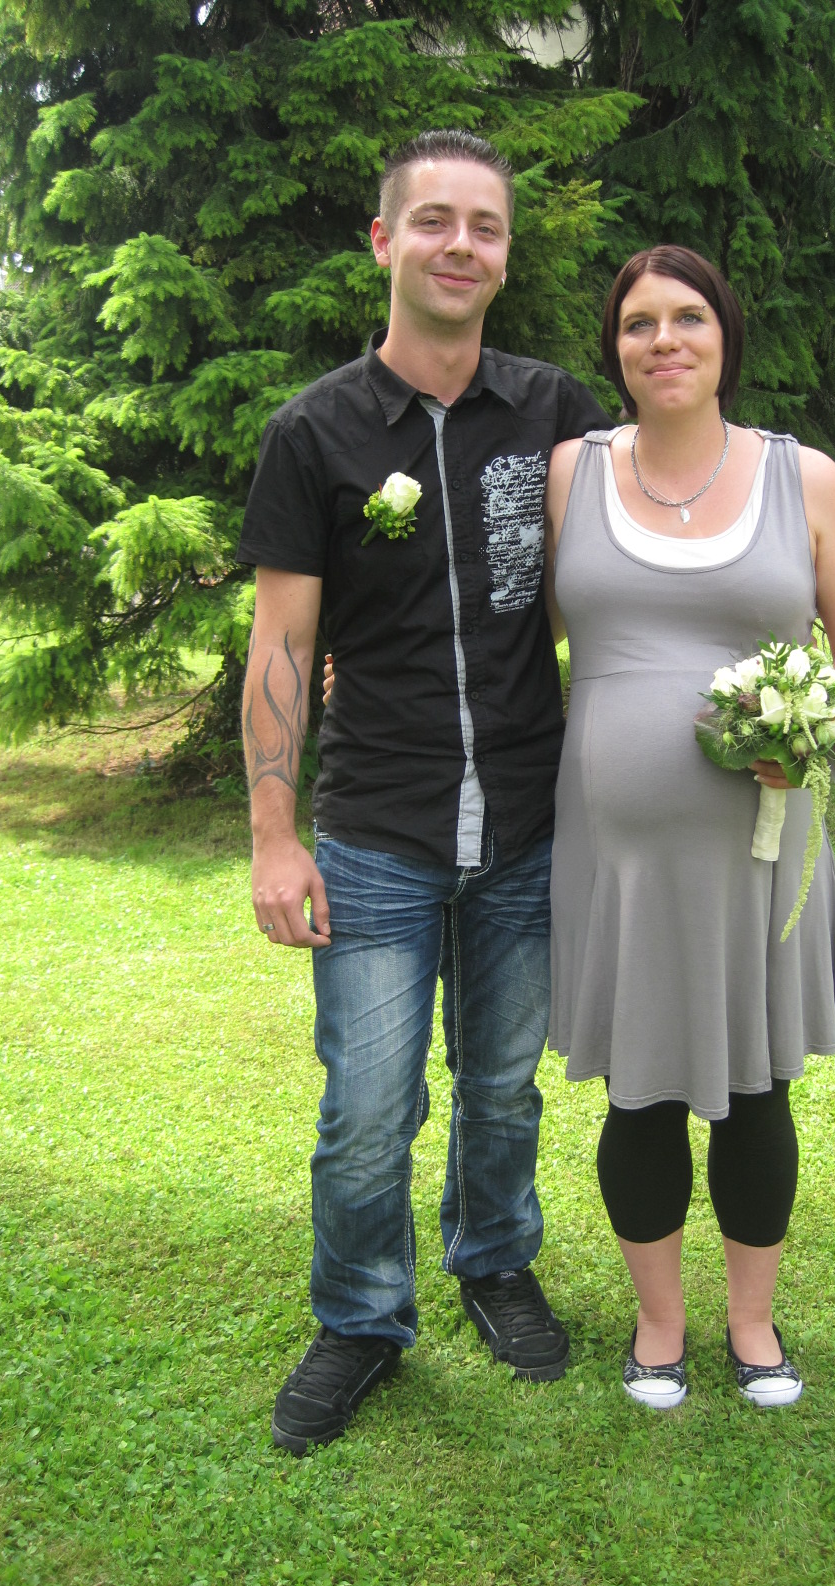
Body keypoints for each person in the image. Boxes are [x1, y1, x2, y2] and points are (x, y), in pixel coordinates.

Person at [238, 129, 610, 1456]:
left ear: (505, 255)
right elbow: (282, 646)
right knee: (368, 1110)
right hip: (378, 832)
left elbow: (621, 581)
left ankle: (495, 1261)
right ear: (384, 242)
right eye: (435, 221)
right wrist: (274, 838)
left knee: (504, 1085)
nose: (462, 245)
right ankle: (359, 1318)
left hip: (526, 822)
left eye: (486, 226)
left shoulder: (558, 413)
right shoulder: (315, 432)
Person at [542, 246, 835, 1408]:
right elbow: (515, 633)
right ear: (616, 351)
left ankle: (752, 1324)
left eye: (688, 316)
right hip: (619, 860)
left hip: (761, 848)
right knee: (637, 1090)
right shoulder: (572, 474)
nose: (665, 340)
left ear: (726, 335)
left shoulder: (808, 480)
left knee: (756, 1088)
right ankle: (659, 1325)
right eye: (638, 323)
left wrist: (812, 718)